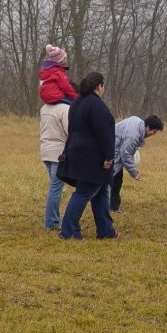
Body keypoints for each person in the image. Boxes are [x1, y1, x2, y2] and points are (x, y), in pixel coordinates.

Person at [59, 72, 118, 240]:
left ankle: (106, 231)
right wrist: (109, 156)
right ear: (99, 86)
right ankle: (69, 231)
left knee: (100, 193)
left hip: (76, 152)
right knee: (84, 192)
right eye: (103, 85)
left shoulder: (77, 103)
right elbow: (105, 133)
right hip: (92, 158)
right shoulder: (97, 106)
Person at [110, 115, 164, 213]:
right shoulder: (133, 135)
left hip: (113, 149)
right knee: (110, 181)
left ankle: (113, 206)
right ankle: (111, 207)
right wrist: (134, 173)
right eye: (154, 132)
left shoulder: (138, 122)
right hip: (110, 153)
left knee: (116, 180)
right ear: (147, 127)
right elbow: (125, 154)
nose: (153, 134)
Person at [39, 101, 70, 231]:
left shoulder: (44, 107)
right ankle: (51, 222)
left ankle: (54, 219)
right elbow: (70, 131)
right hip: (58, 153)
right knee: (55, 189)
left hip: (45, 151)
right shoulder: (65, 109)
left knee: (55, 188)